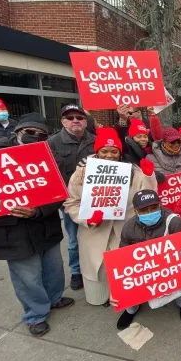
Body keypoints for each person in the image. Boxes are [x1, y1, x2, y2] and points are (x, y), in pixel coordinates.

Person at [0, 113, 74, 337]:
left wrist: (38, 211)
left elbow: (60, 194)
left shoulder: (53, 158)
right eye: (29, 132)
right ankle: (35, 315)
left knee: (53, 268)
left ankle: (54, 298)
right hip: (10, 229)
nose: (34, 137)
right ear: (18, 132)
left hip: (44, 223)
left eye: (40, 134)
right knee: (27, 275)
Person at [63, 127, 157, 306]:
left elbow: (148, 197)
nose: (109, 155)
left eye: (114, 151)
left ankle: (124, 297)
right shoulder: (81, 173)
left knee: (124, 278)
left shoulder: (133, 172)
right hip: (94, 231)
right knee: (97, 286)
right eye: (104, 151)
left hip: (124, 229)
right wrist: (87, 218)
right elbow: (71, 203)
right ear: (97, 152)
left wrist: (148, 175)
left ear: (120, 152)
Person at [112, 190, 181, 329]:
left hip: (170, 265)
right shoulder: (128, 228)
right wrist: (117, 288)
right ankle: (130, 309)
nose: (149, 212)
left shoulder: (174, 222)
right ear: (136, 211)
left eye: (154, 207)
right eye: (143, 210)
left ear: (160, 205)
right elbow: (123, 259)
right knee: (130, 281)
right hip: (143, 268)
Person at [48, 104, 96, 291]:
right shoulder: (52, 143)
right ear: (63, 121)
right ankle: (76, 272)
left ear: (85, 121)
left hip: (96, 199)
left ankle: (94, 270)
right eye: (70, 118)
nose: (75, 120)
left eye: (79, 117)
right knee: (75, 239)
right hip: (71, 202)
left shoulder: (95, 141)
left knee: (95, 237)